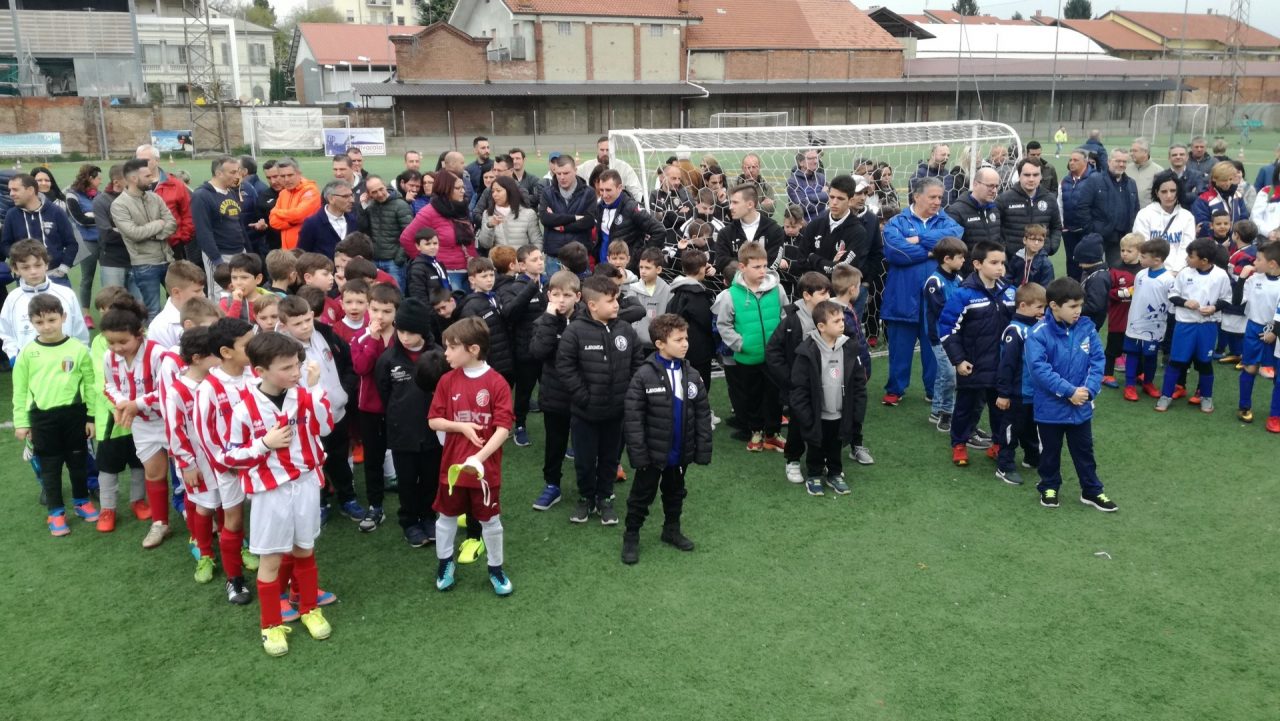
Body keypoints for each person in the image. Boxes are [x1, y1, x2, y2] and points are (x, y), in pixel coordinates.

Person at [222, 332, 334, 656]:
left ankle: (309, 608)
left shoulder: (304, 394)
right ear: (260, 372)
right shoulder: (244, 409)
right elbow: (230, 457)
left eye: (297, 364)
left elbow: (326, 427)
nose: (296, 372)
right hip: (271, 493)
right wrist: (264, 444)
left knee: (305, 549)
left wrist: (314, 388)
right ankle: (270, 625)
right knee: (269, 561)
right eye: (286, 367)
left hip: (307, 484)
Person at [428, 316, 515, 595]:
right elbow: (434, 421)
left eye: (452, 347)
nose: (446, 353)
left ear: (473, 349)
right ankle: (445, 563)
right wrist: (461, 427)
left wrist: (479, 457)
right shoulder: (446, 381)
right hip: (451, 470)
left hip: (485, 472)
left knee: (490, 521)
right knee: (445, 518)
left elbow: (503, 428)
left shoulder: (497, 383)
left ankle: (496, 568)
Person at [620, 313, 711, 564]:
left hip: (680, 452)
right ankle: (631, 536)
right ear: (660, 344)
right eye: (678, 339)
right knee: (641, 496)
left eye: (686, 338)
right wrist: (639, 454)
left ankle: (671, 530)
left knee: (675, 492)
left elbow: (702, 413)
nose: (685, 344)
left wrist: (701, 449)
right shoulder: (643, 376)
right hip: (652, 454)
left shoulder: (691, 374)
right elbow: (633, 418)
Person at [558, 275, 643, 524]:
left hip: (616, 413)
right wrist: (583, 397)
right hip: (585, 413)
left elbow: (637, 361)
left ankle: (605, 497)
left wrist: (627, 394)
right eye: (610, 300)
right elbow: (565, 367)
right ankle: (586, 498)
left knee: (610, 459)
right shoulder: (575, 331)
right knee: (584, 460)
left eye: (616, 299)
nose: (616, 305)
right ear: (592, 305)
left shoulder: (625, 329)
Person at [1025, 277, 1115, 512]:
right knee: (1050, 452)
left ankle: (1092, 491)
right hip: (1050, 409)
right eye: (1072, 307)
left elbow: (1097, 360)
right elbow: (1039, 370)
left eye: (1080, 306)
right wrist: (1069, 392)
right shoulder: (1038, 333)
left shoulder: (1087, 327)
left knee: (1084, 451)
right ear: (1054, 306)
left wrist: (1089, 391)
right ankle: (1049, 485)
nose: (1078, 311)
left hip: (1081, 406)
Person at [12, 293, 96, 537]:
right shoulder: (27, 353)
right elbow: (20, 390)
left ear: (63, 317)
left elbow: (90, 385)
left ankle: (81, 502)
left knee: (78, 462)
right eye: (40, 322)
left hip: (74, 416)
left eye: (51, 320)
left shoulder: (78, 349)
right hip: (43, 419)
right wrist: (21, 423)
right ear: (31, 323)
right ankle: (56, 512)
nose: (47, 326)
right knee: (50, 466)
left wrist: (90, 417)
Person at [881, 176, 963, 406]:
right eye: (933, 197)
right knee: (900, 348)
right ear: (917, 197)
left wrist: (918, 239)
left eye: (940, 197)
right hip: (902, 296)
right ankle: (895, 389)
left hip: (936, 301)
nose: (938, 201)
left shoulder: (946, 220)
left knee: (934, 348)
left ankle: (933, 390)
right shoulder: (897, 221)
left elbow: (955, 236)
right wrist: (933, 252)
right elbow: (895, 251)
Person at [278, 295, 361, 522]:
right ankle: (320, 502)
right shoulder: (279, 349)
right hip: (305, 421)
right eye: (297, 323)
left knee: (339, 458)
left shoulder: (325, 332)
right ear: (284, 325)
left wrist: (344, 390)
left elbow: (348, 362)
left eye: (307, 319)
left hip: (336, 411)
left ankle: (348, 498)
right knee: (312, 462)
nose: (305, 326)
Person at [100, 295, 173, 548]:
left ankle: (204, 519)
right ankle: (160, 523)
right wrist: (121, 403)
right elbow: (108, 385)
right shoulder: (109, 358)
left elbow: (168, 391)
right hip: (142, 425)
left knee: (189, 475)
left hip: (171, 421)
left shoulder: (158, 354)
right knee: (154, 473)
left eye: (123, 341)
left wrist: (135, 404)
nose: (117, 348)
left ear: (139, 333)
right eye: (110, 342)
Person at [937, 240, 1016, 467]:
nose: (1000, 267)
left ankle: (998, 445)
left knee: (1001, 408)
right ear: (977, 264)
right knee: (966, 408)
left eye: (1002, 263)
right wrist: (959, 360)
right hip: (972, 365)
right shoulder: (964, 295)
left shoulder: (1010, 293)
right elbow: (947, 329)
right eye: (994, 262)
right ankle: (959, 444)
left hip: (1002, 366)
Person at [374, 297, 443, 548]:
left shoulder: (439, 356)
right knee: (406, 480)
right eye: (400, 330)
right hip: (402, 433)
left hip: (434, 432)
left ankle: (427, 516)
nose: (404, 337)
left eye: (411, 332)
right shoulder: (388, 360)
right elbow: (384, 392)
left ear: (423, 330)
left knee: (430, 478)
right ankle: (409, 521)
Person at [714, 242, 788, 452]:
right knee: (751, 396)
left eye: (764, 266)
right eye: (756, 267)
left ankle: (772, 434)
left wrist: (780, 343)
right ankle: (756, 431)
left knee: (774, 397)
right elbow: (724, 325)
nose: (762, 271)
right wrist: (740, 343)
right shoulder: (731, 295)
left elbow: (785, 316)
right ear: (742, 267)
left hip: (774, 358)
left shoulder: (778, 289)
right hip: (747, 357)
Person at [788, 300, 867, 497]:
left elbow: (858, 383)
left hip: (841, 413)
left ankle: (834, 473)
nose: (843, 324)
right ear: (821, 326)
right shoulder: (807, 351)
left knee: (835, 444)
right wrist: (805, 415)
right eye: (837, 321)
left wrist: (857, 411)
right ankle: (814, 474)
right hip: (817, 414)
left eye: (842, 319)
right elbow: (798, 388)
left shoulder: (849, 348)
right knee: (816, 445)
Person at [765, 271, 831, 485]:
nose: (828, 298)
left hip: (827, 385)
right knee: (798, 425)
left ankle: (823, 459)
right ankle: (792, 459)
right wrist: (790, 379)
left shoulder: (831, 315)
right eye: (822, 293)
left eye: (829, 293)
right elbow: (773, 351)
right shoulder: (792, 320)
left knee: (826, 422)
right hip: (799, 387)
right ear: (807, 295)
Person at [1156, 238, 1233, 413]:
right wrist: (1185, 303)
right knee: (1176, 361)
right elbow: (1173, 295)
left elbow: (1227, 299)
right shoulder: (1185, 273)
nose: (1187, 259)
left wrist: (1214, 308)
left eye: (1191, 256)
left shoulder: (1221, 275)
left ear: (1204, 261)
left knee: (1205, 362)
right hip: (1185, 325)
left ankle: (1206, 397)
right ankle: (1165, 395)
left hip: (1207, 326)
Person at [350, 282, 402, 532]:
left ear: (396, 313)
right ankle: (375, 506)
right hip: (370, 409)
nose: (380, 316)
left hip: (400, 408)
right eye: (375, 309)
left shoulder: (404, 336)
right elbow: (361, 368)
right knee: (373, 459)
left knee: (406, 456)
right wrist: (372, 340)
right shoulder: (360, 338)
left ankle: (413, 506)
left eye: (387, 311)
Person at [528, 270, 580, 511]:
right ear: (548, 295)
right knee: (555, 444)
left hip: (582, 395)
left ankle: (589, 486)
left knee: (584, 443)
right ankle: (552, 485)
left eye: (567, 295)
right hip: (554, 395)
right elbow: (538, 352)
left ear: (578, 297)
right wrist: (549, 319)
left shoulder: (586, 322)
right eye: (556, 294)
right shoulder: (542, 321)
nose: (561, 300)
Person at [1, 239, 90, 363]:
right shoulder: (12, 299)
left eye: (38, 265)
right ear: (16, 269)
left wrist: (82, 356)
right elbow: (6, 333)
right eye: (25, 267)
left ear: (46, 264)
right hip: (29, 367)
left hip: (64, 364)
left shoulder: (66, 294)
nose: (33, 271)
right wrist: (13, 355)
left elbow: (79, 332)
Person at [110, 159, 177, 320]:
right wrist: (158, 224)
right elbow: (134, 234)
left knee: (177, 306)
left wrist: (153, 234)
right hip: (145, 264)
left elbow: (172, 223)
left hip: (168, 259)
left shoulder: (155, 198)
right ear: (134, 179)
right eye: (147, 176)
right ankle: (152, 344)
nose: (152, 179)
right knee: (152, 310)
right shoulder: (119, 205)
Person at [993, 283, 1046, 486]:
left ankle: (1032, 457)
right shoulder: (1015, 331)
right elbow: (1006, 365)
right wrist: (1003, 393)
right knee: (1011, 430)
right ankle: (1004, 466)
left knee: (1031, 427)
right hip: (1016, 393)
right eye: (1039, 308)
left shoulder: (1037, 327)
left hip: (1034, 392)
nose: (1042, 312)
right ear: (1023, 306)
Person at [498, 245, 546, 448]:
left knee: (553, 389)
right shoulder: (512, 288)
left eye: (541, 258)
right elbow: (509, 313)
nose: (541, 262)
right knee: (524, 392)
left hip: (546, 349)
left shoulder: (546, 284)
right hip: (525, 350)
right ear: (521, 265)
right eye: (535, 259)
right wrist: (531, 287)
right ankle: (520, 426)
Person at [400, 170, 477, 291]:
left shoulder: (462, 209)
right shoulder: (429, 212)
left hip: (470, 272)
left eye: (463, 187)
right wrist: (427, 263)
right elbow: (406, 239)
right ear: (446, 190)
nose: (463, 191)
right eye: (458, 188)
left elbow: (470, 243)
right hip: (446, 273)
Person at [795, 175, 876, 283]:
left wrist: (813, 258)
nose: (834, 202)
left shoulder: (858, 232)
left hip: (837, 296)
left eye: (840, 198)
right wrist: (830, 264)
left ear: (850, 200)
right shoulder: (815, 224)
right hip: (812, 292)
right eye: (832, 197)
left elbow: (841, 271)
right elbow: (801, 262)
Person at [3, 173, 78, 289]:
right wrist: (19, 263)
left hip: (56, 277)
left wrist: (63, 268)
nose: (11, 194)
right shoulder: (11, 215)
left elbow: (71, 243)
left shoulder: (56, 211)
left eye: (15, 190)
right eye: (10, 190)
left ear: (30, 190)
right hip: (25, 279)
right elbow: (5, 244)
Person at [923, 236, 966, 432]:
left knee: (945, 373)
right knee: (950, 373)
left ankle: (937, 410)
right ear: (947, 259)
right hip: (939, 335)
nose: (963, 260)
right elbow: (942, 311)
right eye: (960, 257)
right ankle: (947, 412)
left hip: (955, 335)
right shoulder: (934, 282)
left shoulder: (958, 279)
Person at [190, 155, 248, 296]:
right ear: (219, 173)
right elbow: (203, 231)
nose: (237, 176)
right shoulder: (202, 196)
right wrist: (217, 260)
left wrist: (247, 250)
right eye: (232, 172)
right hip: (220, 254)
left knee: (241, 292)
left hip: (239, 252)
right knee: (220, 295)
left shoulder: (231, 192)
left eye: (238, 171)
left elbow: (238, 224)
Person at [1237, 243, 1280, 424]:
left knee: (1276, 374)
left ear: (1272, 264)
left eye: (1259, 259)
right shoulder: (1254, 279)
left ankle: (1275, 413)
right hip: (1254, 329)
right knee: (1251, 368)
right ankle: (1244, 406)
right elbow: (1238, 301)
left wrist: (1275, 332)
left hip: (1276, 333)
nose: (1255, 262)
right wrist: (1241, 279)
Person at [592, 169, 666, 266]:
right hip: (603, 266)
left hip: (626, 271)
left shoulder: (631, 208)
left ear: (619, 188)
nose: (604, 195)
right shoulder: (599, 207)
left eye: (608, 190)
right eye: (601, 190)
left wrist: (639, 257)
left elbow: (659, 231)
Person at [1077, 150, 1138, 265]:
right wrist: (1091, 230)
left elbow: (1135, 209)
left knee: (1117, 272)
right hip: (1098, 236)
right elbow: (1082, 206)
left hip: (1121, 239)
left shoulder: (1131, 183)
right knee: (1092, 268)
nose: (1121, 164)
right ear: (1109, 161)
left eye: (1124, 162)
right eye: (1118, 161)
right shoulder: (1095, 180)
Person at [458, 257, 515, 380]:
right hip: (490, 362)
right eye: (484, 276)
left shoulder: (496, 297)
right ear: (472, 279)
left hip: (506, 358)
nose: (489, 280)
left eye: (491, 275)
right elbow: (472, 338)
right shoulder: (471, 307)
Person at [136, 144, 194, 262]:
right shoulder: (132, 185)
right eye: (138, 160)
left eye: (145, 160)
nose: (141, 163)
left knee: (176, 280)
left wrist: (183, 238)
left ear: (157, 160)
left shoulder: (175, 184)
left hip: (173, 245)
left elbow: (187, 213)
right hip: (143, 247)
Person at [713, 184, 786, 277]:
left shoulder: (774, 230)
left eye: (735, 202)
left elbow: (773, 262)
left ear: (750, 204)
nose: (730, 207)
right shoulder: (725, 233)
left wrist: (742, 264)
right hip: (736, 286)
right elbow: (721, 262)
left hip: (766, 287)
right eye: (730, 202)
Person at [1133, 170, 1197, 274]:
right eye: (1164, 191)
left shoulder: (1187, 217)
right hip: (1151, 272)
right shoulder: (1144, 214)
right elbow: (1142, 246)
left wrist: (1176, 271)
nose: (1169, 196)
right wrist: (1160, 270)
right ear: (1156, 192)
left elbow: (1186, 247)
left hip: (1179, 272)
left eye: (1173, 191)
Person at [1101, 233, 1144, 387]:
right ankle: (1107, 374)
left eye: (1129, 251)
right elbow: (1108, 291)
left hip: (1137, 317)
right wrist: (1124, 292)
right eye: (1122, 250)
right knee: (1113, 347)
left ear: (1140, 252)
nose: (1124, 254)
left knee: (1137, 348)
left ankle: (1139, 373)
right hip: (1118, 316)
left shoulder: (1144, 270)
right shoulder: (1115, 269)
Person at [997, 158, 1063, 258]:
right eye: (1027, 175)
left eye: (1035, 175)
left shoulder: (1050, 199)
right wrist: (1005, 250)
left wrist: (1050, 247)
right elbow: (997, 229)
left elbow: (1056, 227)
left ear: (1041, 176)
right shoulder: (1004, 199)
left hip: (1040, 258)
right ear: (1019, 175)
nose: (1031, 179)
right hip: (1012, 261)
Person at [358, 175, 413, 288]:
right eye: (374, 192)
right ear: (369, 194)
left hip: (394, 262)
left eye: (381, 189)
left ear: (385, 186)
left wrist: (399, 259)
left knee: (396, 295)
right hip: (375, 260)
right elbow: (363, 228)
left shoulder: (401, 205)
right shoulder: (371, 206)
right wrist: (363, 206)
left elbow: (409, 234)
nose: (379, 194)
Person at [148, 261, 210, 351]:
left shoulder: (207, 312)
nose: (203, 295)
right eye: (197, 291)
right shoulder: (161, 328)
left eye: (202, 290)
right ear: (176, 292)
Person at [945, 167, 1002, 256]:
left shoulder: (994, 209)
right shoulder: (956, 211)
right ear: (975, 184)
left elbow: (999, 241)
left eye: (996, 186)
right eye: (990, 186)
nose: (994, 190)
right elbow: (951, 248)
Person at [477, 175, 543, 252]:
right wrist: (489, 226)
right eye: (493, 191)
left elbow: (537, 242)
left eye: (498, 191)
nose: (494, 194)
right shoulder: (488, 214)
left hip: (521, 262)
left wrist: (529, 259)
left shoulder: (528, 214)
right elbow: (485, 244)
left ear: (510, 191)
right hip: (498, 262)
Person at [268, 158, 322, 251]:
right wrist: (292, 222)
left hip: (307, 250)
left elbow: (298, 215)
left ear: (299, 173)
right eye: (282, 176)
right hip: (288, 251)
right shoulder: (283, 193)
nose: (286, 179)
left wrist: (276, 211)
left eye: (290, 175)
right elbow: (273, 222)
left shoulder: (310, 191)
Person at [298, 180, 357, 259]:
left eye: (351, 195)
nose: (352, 200)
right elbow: (303, 254)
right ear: (331, 198)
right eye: (345, 196)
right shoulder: (312, 224)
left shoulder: (353, 221)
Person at [1191, 161, 1251, 239]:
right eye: (1224, 180)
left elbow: (1244, 218)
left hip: (1236, 242)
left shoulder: (1237, 196)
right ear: (1214, 179)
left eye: (1230, 179)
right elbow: (1202, 226)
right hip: (1213, 244)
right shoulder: (1203, 199)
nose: (1228, 183)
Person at [1059, 149, 1094, 280]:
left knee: (1088, 261)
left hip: (1087, 231)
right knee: (1072, 262)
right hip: (1069, 230)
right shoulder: (1065, 180)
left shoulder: (1095, 179)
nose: (1071, 163)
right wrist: (1063, 226)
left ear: (1085, 162)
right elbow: (1060, 204)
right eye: (1070, 160)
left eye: (1075, 160)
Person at [578, 136, 643, 200]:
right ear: (597, 150)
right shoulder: (586, 167)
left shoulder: (624, 167)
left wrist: (641, 204)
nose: (605, 153)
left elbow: (635, 189)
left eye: (607, 150)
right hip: (593, 205)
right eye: (602, 150)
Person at [1006, 223, 1054, 288]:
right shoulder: (1016, 258)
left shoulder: (1046, 264)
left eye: (1040, 240)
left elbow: (1046, 287)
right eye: (1033, 239)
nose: (1036, 243)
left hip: (1035, 297)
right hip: (1015, 295)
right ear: (1024, 240)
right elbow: (1008, 279)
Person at [787, 148, 828, 221]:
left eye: (816, 158)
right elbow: (802, 207)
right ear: (801, 162)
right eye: (810, 159)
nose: (815, 161)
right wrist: (822, 195)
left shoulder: (821, 178)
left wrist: (807, 198)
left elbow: (830, 198)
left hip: (824, 223)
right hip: (804, 226)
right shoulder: (792, 182)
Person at [1167, 143, 1207, 210]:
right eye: (1174, 155)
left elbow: (1199, 195)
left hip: (1190, 214)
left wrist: (1172, 196)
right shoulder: (1161, 176)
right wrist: (1190, 194)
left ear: (1187, 157)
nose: (1178, 157)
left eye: (1181, 154)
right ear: (1169, 158)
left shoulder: (1197, 176)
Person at [1128, 138, 1163, 208]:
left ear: (1145, 152)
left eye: (1135, 151)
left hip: (1148, 216)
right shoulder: (1126, 169)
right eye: (1131, 151)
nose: (1131, 154)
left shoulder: (1159, 171)